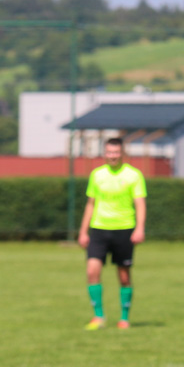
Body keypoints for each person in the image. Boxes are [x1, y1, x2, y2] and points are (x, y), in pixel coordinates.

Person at [77, 138, 146, 330]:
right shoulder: (97, 175)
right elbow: (90, 204)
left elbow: (140, 203)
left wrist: (139, 228)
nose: (113, 156)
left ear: (122, 153)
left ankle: (124, 318)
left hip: (124, 229)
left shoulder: (134, 175)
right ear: (105, 153)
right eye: (109, 152)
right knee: (92, 271)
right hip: (99, 229)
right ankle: (98, 316)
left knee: (123, 276)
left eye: (116, 152)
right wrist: (83, 231)